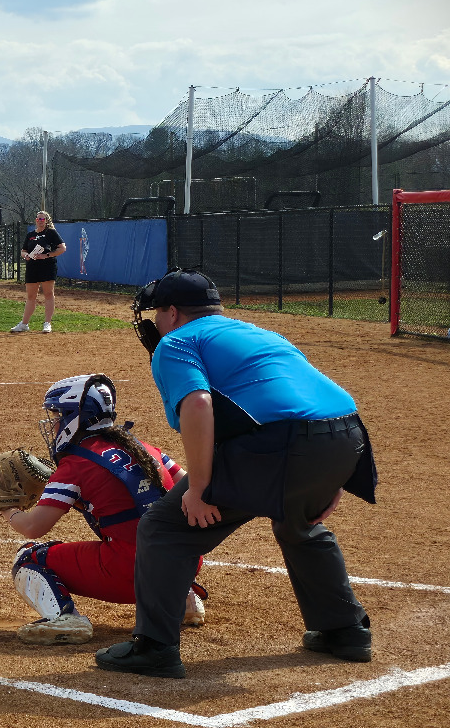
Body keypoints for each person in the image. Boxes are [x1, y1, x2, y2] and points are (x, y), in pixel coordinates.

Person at [94, 271, 378, 679]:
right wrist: (329, 475)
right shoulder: (260, 333)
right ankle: (345, 630)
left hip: (284, 441)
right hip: (346, 437)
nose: (156, 322)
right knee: (299, 523)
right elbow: (319, 400)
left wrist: (200, 488)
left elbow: (198, 404)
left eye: (158, 313)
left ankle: (154, 647)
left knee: (164, 528)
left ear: (173, 312)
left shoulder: (177, 341)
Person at [1, 374, 208, 644]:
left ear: (75, 417)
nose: (54, 423)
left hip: (132, 573)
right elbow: (192, 488)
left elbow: (33, 527)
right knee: (142, 522)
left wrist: (7, 509)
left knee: (29, 557)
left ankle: (65, 618)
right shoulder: (146, 449)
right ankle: (182, 598)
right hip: (186, 563)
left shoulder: (75, 464)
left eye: (58, 415)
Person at [14, 211, 65, 334]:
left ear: (46, 221)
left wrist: (46, 255)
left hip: (47, 266)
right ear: (35, 220)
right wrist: (26, 255)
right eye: (38, 219)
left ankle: (47, 323)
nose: (40, 221)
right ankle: (24, 324)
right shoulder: (30, 235)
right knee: (31, 296)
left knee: (48, 294)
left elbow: (62, 248)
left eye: (42, 219)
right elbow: (23, 251)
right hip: (32, 267)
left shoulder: (51, 233)